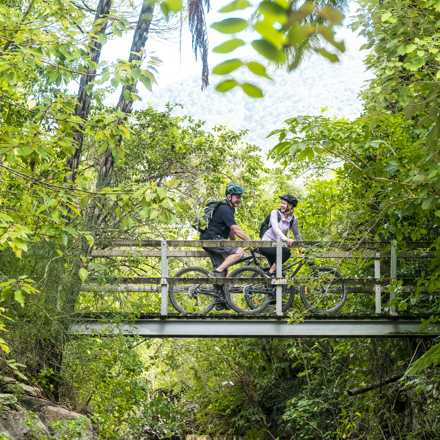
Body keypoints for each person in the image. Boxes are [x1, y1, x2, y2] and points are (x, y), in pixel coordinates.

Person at [200, 184, 252, 279]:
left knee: (223, 271)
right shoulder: (225, 209)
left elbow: (230, 230)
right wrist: (251, 242)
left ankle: (220, 293)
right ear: (229, 197)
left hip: (209, 239)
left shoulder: (227, 209)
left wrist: (234, 244)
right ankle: (216, 272)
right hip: (212, 240)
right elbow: (236, 230)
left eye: (240, 197)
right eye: (237, 197)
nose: (239, 200)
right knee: (239, 252)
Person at [259, 194, 302, 276]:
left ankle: (270, 281)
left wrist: (302, 246)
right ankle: (269, 273)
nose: (281, 205)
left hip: (277, 246)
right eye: (281, 203)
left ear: (290, 206)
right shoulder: (275, 213)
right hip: (266, 244)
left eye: (284, 203)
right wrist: (286, 239)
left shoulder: (293, 219)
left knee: (276, 273)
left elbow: (296, 234)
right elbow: (275, 228)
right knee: (286, 252)